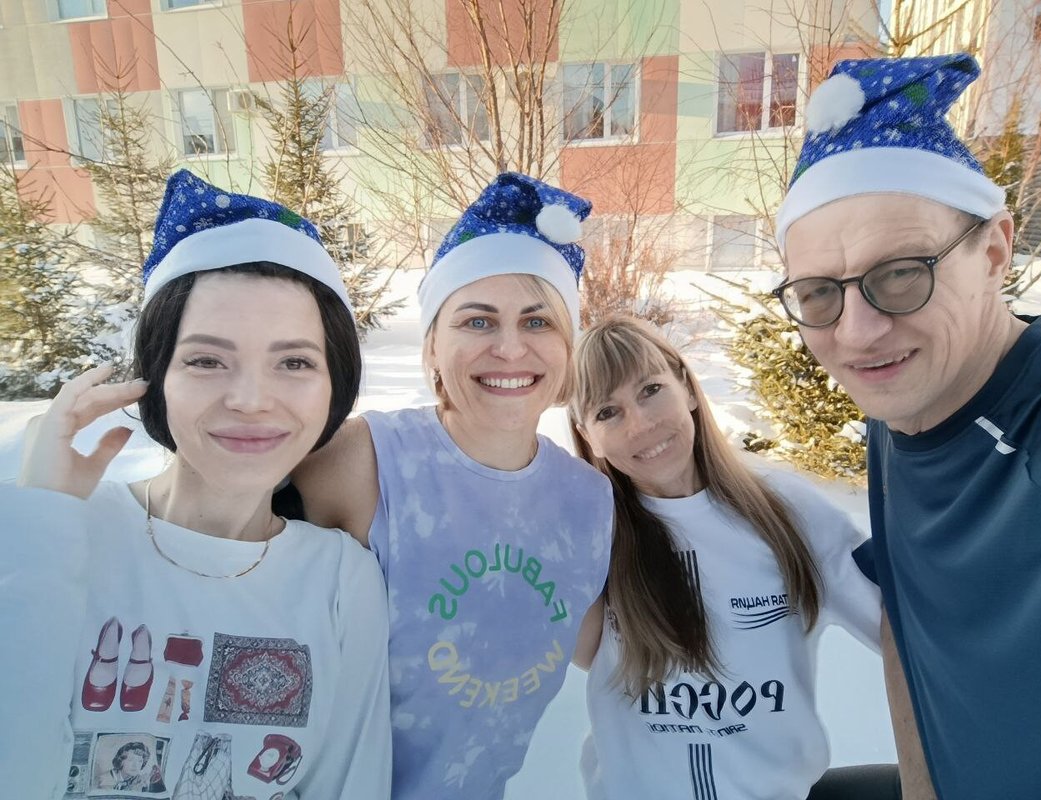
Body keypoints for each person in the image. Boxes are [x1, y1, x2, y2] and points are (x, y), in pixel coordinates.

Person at [3, 169, 391, 799]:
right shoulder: (58, 539)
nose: (250, 399)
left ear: (334, 386)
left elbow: (351, 784)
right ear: (156, 379)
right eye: (206, 360)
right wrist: (42, 523)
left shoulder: (341, 580)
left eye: (294, 362)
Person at [774, 53, 1041, 798]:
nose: (858, 332)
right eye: (818, 292)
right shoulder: (901, 408)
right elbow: (906, 624)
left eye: (902, 272)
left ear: (994, 251)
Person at [294, 171, 614, 799]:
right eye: (477, 321)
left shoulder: (588, 499)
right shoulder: (360, 460)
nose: (510, 349)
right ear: (433, 346)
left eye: (538, 322)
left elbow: (602, 645)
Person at [566, 315, 890, 800]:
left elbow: (908, 632)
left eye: (651, 390)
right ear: (586, 434)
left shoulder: (789, 512)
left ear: (687, 387)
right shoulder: (588, 536)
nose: (641, 424)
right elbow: (566, 652)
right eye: (607, 412)